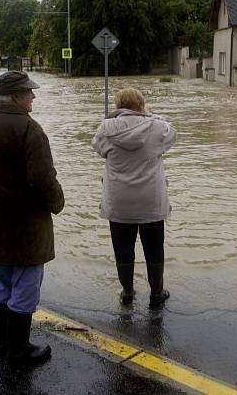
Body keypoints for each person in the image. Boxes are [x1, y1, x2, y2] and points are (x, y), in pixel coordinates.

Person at [0, 70, 64, 365]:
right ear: (16, 96)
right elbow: (43, 180)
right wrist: (58, 203)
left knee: (0, 283)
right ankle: (19, 348)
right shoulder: (30, 129)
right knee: (27, 284)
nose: (34, 96)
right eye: (29, 92)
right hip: (26, 227)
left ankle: (2, 344)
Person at [92, 88, 176, 308]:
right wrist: (150, 115)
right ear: (142, 105)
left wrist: (112, 118)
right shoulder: (156, 127)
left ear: (118, 106)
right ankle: (156, 293)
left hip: (119, 201)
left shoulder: (106, 128)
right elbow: (172, 135)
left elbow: (98, 149)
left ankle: (127, 292)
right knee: (154, 248)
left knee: (123, 248)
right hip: (151, 201)